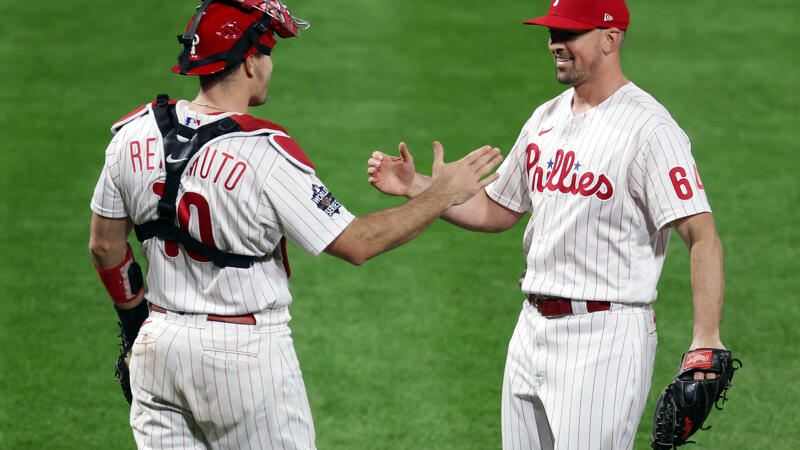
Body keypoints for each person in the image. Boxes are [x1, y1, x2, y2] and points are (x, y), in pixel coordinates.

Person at [88, 1, 502, 448]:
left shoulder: (133, 134)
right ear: (249, 62)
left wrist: (134, 330)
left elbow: (105, 248)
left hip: (156, 346)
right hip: (241, 358)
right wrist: (442, 193)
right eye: (267, 55)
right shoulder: (263, 152)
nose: (269, 66)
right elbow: (357, 243)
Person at [366, 0, 727, 448]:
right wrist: (420, 188)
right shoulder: (546, 119)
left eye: (569, 34)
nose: (555, 44)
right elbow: (498, 210)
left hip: (605, 339)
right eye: (552, 33)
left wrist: (705, 340)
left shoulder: (650, 130)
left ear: (611, 39)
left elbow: (701, 233)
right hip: (530, 329)